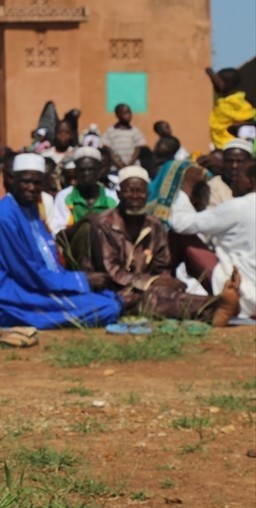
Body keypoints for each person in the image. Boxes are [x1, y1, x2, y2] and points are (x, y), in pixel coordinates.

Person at [0, 154, 121, 329]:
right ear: (13, 180)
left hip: (40, 283)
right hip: (18, 292)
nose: (31, 188)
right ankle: (14, 316)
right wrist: (81, 281)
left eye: (37, 183)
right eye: (26, 182)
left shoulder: (29, 208)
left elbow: (46, 259)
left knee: (109, 297)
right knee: (108, 306)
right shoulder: (4, 216)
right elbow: (26, 272)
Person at [84, 167, 239, 326]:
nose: (135, 197)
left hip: (148, 286)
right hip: (115, 290)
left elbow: (163, 265)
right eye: (129, 191)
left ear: (148, 195)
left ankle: (217, 306)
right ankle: (213, 308)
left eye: (140, 192)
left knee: (169, 293)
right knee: (151, 300)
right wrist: (151, 283)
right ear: (118, 194)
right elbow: (113, 271)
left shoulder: (154, 225)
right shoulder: (104, 224)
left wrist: (162, 282)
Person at [168, 161, 255, 318]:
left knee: (181, 236)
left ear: (251, 181)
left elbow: (180, 224)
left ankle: (165, 286)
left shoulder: (238, 207)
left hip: (240, 292)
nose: (232, 182)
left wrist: (186, 187)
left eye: (238, 177)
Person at [48, 147, 118, 235]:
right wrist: (85, 223)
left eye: (91, 169)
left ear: (99, 171)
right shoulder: (64, 197)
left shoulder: (112, 197)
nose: (86, 174)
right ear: (76, 171)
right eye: (82, 170)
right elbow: (58, 231)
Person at [207, 67, 255, 150]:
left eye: (217, 81)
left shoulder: (236, 101)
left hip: (235, 145)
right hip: (220, 145)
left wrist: (238, 126)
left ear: (229, 83)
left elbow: (250, 119)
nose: (214, 84)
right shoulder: (222, 102)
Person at [101, 104, 146, 170]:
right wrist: (117, 163)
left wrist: (130, 164)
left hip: (133, 166)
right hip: (115, 167)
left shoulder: (135, 131)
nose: (129, 115)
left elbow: (138, 148)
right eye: (125, 113)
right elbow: (108, 149)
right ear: (117, 115)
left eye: (129, 112)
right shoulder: (110, 131)